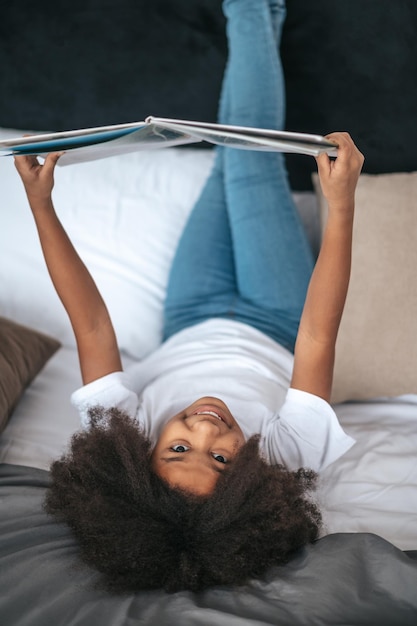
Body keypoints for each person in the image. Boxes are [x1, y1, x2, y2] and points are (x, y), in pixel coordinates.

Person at [14, 0, 364, 593]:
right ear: (251, 480)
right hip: (276, 313)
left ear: (141, 464)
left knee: (227, 167)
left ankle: (263, 18)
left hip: (190, 311)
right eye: (223, 458)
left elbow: (93, 326)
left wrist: (41, 206)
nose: (205, 429)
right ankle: (250, 10)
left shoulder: (117, 433)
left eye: (178, 448)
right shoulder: (288, 458)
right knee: (245, 168)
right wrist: (342, 206)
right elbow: (317, 336)